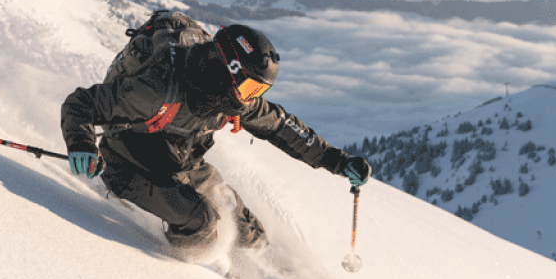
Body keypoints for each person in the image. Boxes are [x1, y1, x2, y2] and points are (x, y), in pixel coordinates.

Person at [60, 22, 370, 259]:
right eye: (249, 88)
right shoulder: (157, 91)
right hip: (128, 164)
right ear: (225, 71)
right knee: (201, 221)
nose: (250, 101)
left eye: (258, 93)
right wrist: (82, 145)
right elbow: (80, 104)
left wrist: (337, 160)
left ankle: (255, 269)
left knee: (249, 232)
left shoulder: (231, 100)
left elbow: (282, 127)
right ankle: (199, 277)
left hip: (183, 164)